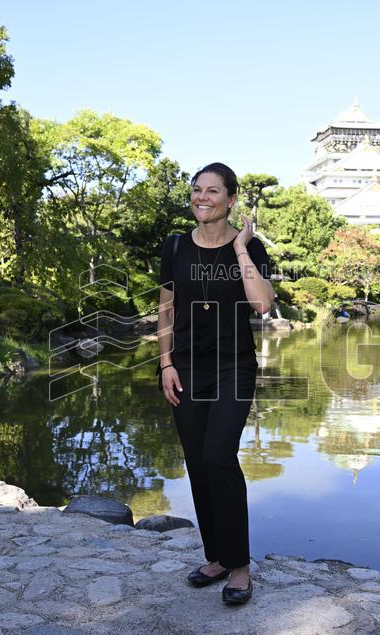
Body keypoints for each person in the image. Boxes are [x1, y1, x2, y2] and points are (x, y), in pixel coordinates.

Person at [156, 162, 274, 606]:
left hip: (234, 368)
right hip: (185, 368)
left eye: (212, 191)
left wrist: (241, 249)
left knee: (219, 456)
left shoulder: (251, 247)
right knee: (197, 462)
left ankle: (240, 565)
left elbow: (262, 304)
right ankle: (217, 558)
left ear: (230, 199)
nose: (201, 198)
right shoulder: (175, 246)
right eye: (196, 190)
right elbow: (165, 309)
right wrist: (165, 364)